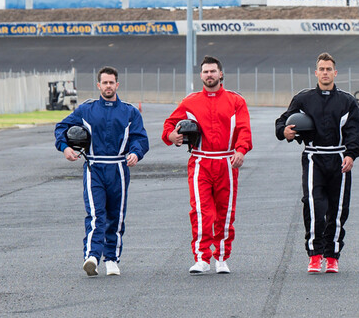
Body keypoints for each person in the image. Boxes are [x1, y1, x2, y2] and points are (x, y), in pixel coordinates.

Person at [55, 67, 149, 277]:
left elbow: (140, 138)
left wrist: (136, 153)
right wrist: (65, 148)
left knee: (116, 216)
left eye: (111, 82)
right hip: (94, 167)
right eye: (104, 83)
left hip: (118, 168)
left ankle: (112, 259)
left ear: (117, 85)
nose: (108, 86)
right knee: (97, 214)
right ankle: (92, 257)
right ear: (98, 85)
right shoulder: (86, 110)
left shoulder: (129, 111)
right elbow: (61, 127)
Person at [162, 56, 252, 275]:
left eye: (213, 71)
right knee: (201, 211)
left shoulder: (235, 100)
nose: (209, 75)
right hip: (200, 162)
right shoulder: (190, 101)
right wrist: (172, 135)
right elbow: (169, 125)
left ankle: (222, 257)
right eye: (205, 72)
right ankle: (202, 257)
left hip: (226, 162)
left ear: (221, 74)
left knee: (225, 212)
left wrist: (241, 150)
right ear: (201, 75)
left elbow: (244, 129)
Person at [275, 52, 359, 274]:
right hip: (313, 157)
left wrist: (351, 154)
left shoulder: (347, 101)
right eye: (321, 69)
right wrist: (283, 132)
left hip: (339, 157)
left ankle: (332, 256)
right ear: (316, 73)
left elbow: (355, 131)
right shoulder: (303, 99)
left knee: (338, 208)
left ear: (335, 72)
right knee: (314, 206)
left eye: (328, 69)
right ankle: (315, 255)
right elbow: (283, 121)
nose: (325, 73)